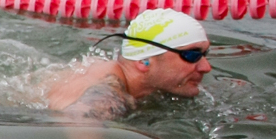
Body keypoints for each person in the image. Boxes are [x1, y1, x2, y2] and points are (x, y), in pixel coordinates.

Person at [43, 9, 212, 120]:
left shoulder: (149, 87)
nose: (206, 67)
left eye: (205, 54)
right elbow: (78, 120)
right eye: (192, 55)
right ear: (143, 61)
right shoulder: (106, 89)